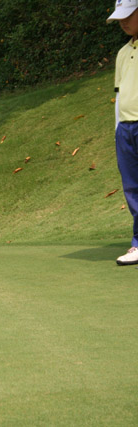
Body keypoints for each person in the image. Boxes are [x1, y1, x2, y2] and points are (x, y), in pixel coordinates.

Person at [108, 0, 138, 265]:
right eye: (120, 18)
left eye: (128, 15)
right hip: (126, 128)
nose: (123, 22)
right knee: (132, 188)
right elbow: (119, 95)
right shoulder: (122, 53)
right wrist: (118, 129)